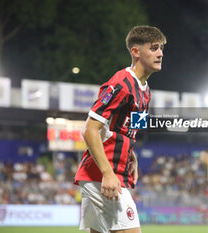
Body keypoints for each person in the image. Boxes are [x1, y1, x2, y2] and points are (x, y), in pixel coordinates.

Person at [74, 26, 166, 233]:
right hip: (102, 174)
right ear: (136, 52)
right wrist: (107, 173)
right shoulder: (121, 84)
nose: (160, 53)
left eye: (161, 48)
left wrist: (131, 154)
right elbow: (90, 130)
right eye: (153, 48)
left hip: (110, 173)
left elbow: (129, 131)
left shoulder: (146, 91)